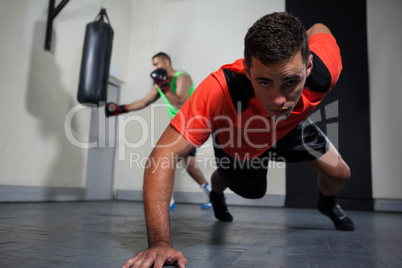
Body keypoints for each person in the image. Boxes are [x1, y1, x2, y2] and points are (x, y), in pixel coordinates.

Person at [122, 12, 355, 268]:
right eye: (264, 82)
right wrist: (159, 243)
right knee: (254, 192)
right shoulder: (220, 91)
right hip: (239, 140)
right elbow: (163, 154)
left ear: (308, 65)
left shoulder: (325, 69)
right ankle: (218, 188)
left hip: (291, 127)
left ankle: (327, 203)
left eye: (290, 81)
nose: (278, 99)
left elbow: (319, 25)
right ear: (247, 69)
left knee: (341, 174)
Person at [106, 52, 212, 210]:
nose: (154, 68)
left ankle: (167, 199)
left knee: (166, 157)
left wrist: (164, 85)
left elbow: (179, 103)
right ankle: (214, 195)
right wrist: (119, 109)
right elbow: (143, 102)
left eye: (156, 64)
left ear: (166, 62)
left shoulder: (183, 77)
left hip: (192, 124)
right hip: (179, 126)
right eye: (153, 65)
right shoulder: (159, 84)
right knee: (190, 165)